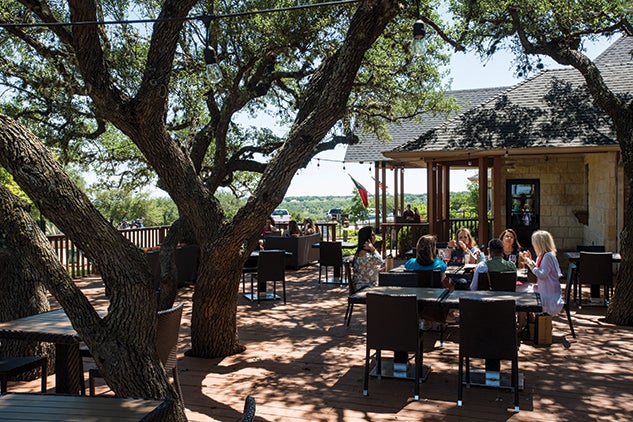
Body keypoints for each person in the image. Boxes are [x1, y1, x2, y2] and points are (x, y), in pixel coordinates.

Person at [524, 230, 564, 316]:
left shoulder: (548, 256)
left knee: (523, 294)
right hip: (544, 289)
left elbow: (542, 275)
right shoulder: (541, 256)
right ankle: (529, 321)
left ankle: (529, 322)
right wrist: (531, 262)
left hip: (549, 295)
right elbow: (539, 269)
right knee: (523, 290)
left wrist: (531, 264)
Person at [352, 226, 384, 292]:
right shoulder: (366, 255)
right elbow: (381, 261)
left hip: (362, 286)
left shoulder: (360, 252)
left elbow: (368, 269)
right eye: (372, 235)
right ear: (367, 238)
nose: (375, 236)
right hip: (365, 288)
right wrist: (373, 249)